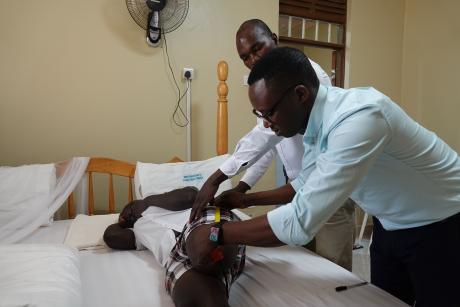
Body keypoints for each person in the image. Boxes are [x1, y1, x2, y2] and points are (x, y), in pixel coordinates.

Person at [192, 46, 460, 307]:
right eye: (259, 114)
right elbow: (303, 183)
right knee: (384, 300)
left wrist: (217, 232)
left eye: (269, 112)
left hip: (440, 221)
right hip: (390, 221)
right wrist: (246, 200)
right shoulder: (315, 124)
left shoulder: (359, 119)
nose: (265, 123)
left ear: (299, 94)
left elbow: (299, 221)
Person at [191, 19, 355, 270]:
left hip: (329, 188)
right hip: (300, 186)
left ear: (275, 39)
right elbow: (270, 144)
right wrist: (242, 190)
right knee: (305, 264)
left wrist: (216, 179)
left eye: (257, 49)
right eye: (245, 57)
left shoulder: (304, 74)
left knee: (334, 270)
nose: (253, 60)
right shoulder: (266, 87)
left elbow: (264, 137)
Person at [103, 187, 246, 307]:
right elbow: (111, 237)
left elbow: (191, 195)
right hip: (176, 257)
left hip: (202, 222)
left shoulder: (161, 202)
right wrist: (122, 222)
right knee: (200, 289)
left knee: (207, 251)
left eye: (131, 206)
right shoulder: (138, 230)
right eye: (125, 213)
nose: (130, 212)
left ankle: (216, 247)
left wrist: (147, 202)